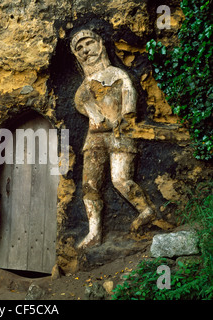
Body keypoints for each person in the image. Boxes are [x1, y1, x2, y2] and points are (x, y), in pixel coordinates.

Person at [71, 29, 155, 249]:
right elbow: (81, 104)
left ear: (100, 45)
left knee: (120, 180)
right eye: (79, 48)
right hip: (94, 138)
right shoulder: (84, 86)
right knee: (90, 185)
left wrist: (125, 116)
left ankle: (146, 210)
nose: (85, 51)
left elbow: (129, 97)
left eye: (88, 44)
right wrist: (92, 112)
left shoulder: (117, 74)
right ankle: (94, 232)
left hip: (119, 135)